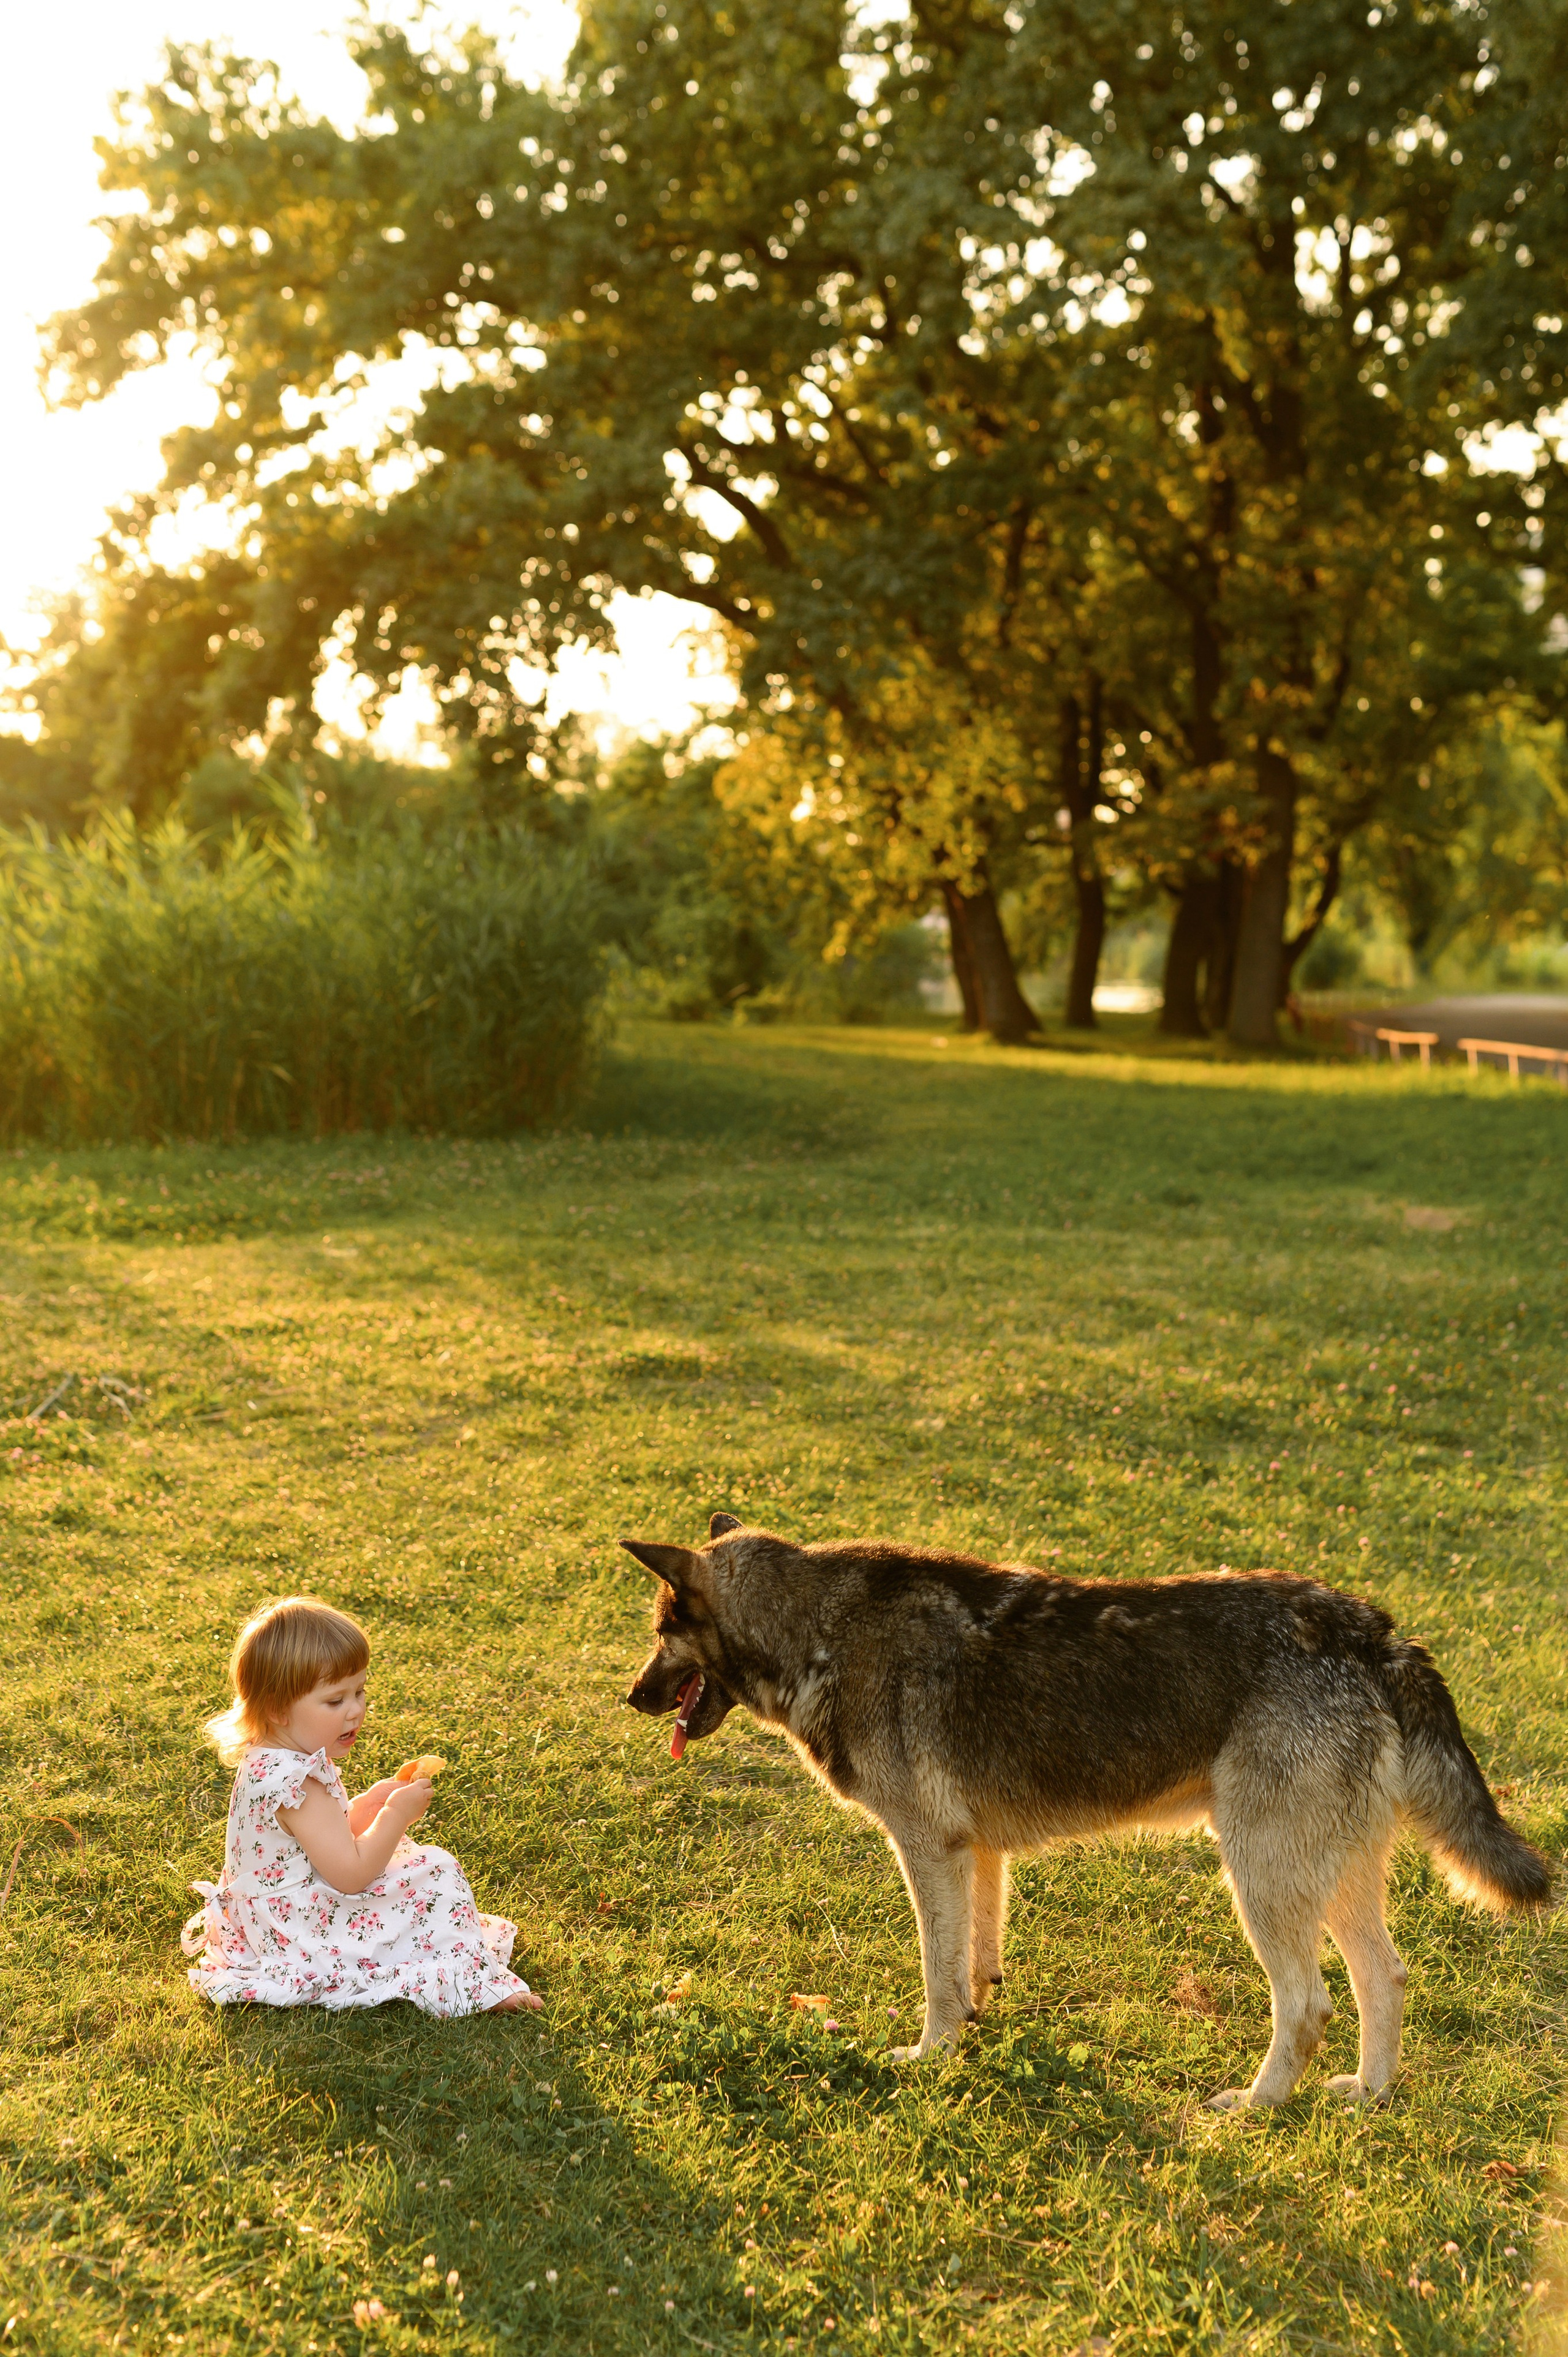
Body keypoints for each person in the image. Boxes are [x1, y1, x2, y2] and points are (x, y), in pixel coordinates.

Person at [183, 1595, 540, 2017]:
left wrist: (368, 1804)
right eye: (336, 1701)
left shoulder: (273, 1759)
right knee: (434, 1873)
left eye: (360, 1691)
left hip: (272, 1918)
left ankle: (460, 1966)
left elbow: (319, 1842)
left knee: (412, 1870)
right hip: (301, 1935)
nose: (356, 1710)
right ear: (279, 1708)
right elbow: (350, 1875)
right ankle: (469, 1985)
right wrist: (395, 1816)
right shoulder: (297, 1784)